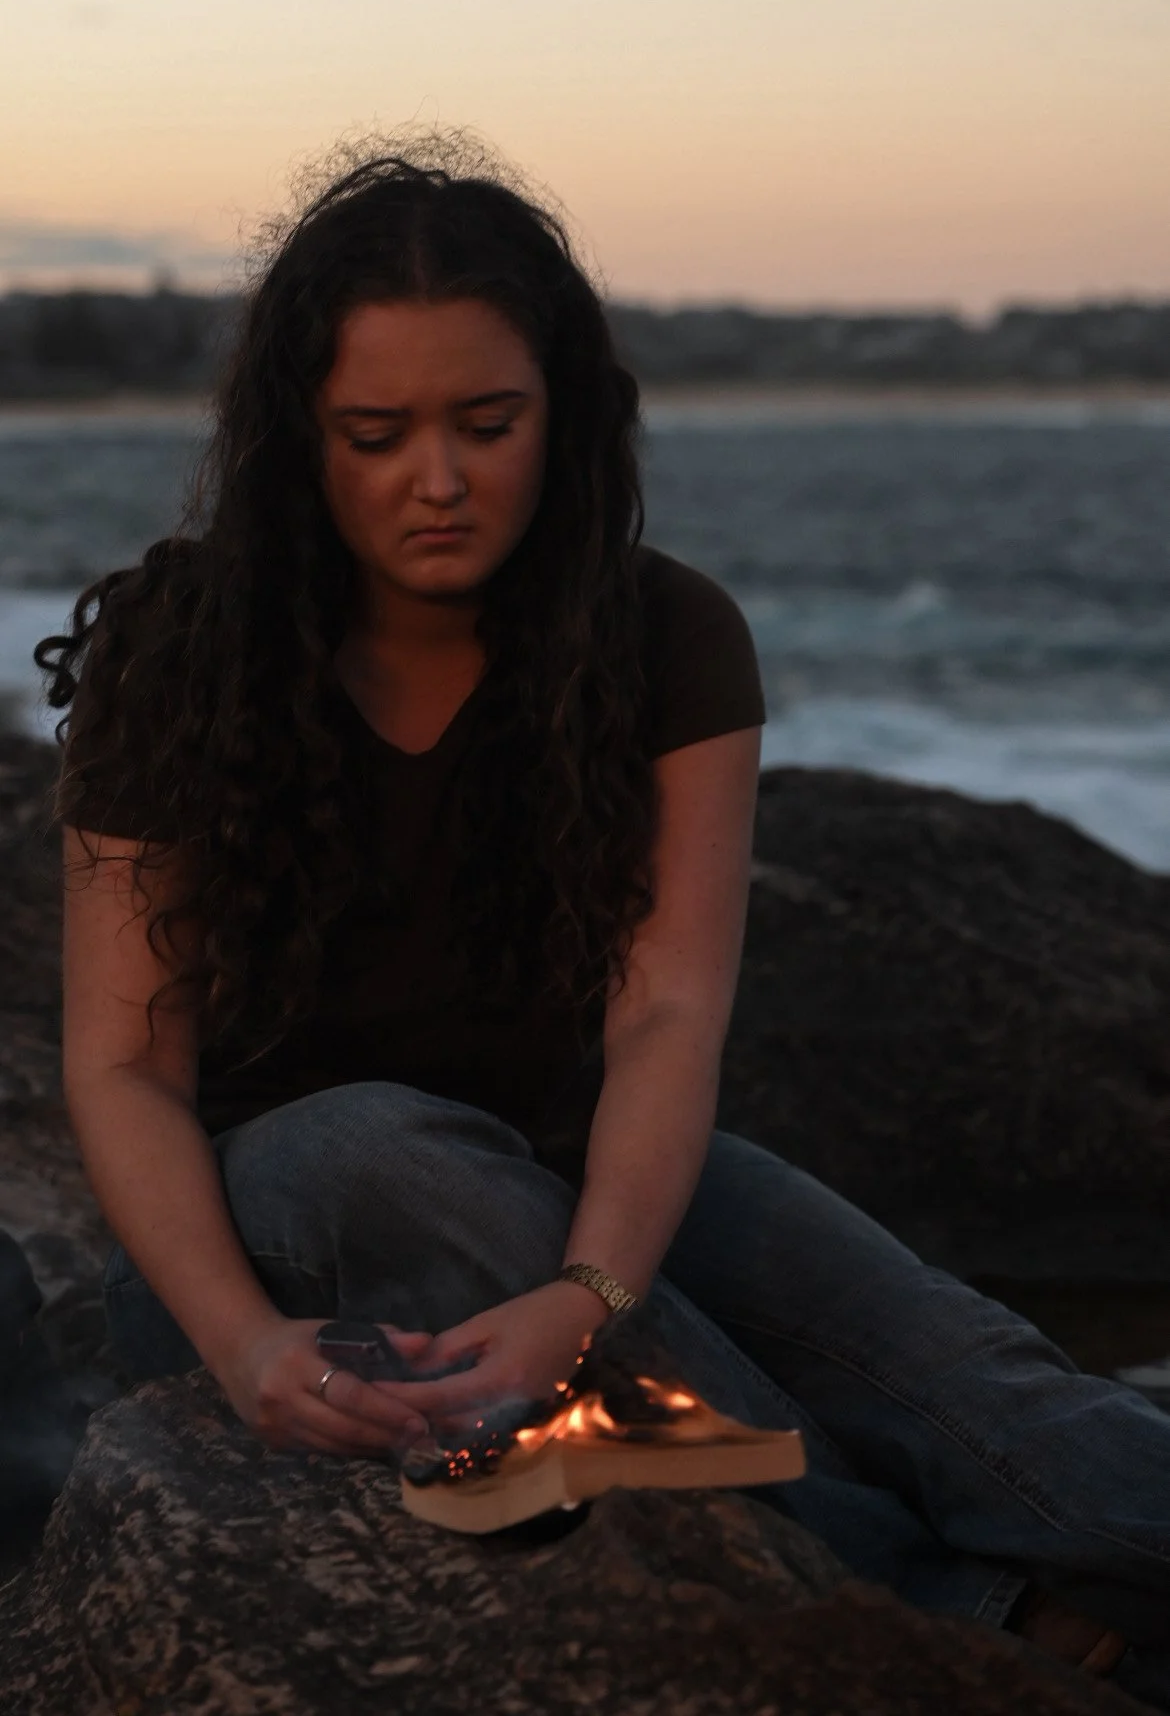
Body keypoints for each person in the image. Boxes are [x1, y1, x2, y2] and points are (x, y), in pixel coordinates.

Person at [41, 142, 1170, 1702]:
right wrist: (239, 1345)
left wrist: (589, 1296)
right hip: (269, 1224)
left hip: (579, 1168)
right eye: (375, 434)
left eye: (486, 423)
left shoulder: (665, 634)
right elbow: (122, 1064)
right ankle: (970, 1617)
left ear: (563, 415)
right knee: (374, 1144)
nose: (437, 479)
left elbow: (662, 1015)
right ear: (298, 438)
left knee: (994, 1395)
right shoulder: (178, 652)